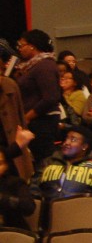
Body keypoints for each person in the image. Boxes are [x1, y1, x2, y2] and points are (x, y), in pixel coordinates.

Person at [15, 29, 61, 165]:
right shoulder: (31, 66)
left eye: (22, 45)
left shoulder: (45, 66)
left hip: (42, 121)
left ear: (32, 46)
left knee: (44, 159)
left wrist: (27, 117)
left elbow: (50, 97)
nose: (20, 49)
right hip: (36, 120)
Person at [39, 126, 92, 202]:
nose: (66, 143)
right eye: (66, 139)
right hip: (47, 210)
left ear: (84, 146)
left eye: (73, 140)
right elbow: (35, 189)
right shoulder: (49, 161)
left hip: (81, 211)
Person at [0, 147, 34, 230]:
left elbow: (29, 207)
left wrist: (3, 199)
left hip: (14, 232)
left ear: (6, 166)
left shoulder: (16, 183)